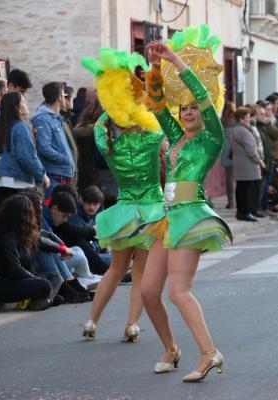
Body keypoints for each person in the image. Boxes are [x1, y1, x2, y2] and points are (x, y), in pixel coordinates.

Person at [142, 28, 232, 381]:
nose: (189, 111)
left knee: (178, 291)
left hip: (190, 217)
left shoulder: (212, 139)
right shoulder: (177, 138)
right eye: (185, 108)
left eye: (195, 107)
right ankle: (170, 347)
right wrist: (153, 67)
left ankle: (210, 353)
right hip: (167, 218)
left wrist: (175, 61)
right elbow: (156, 104)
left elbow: (201, 97)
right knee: (149, 292)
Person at [79, 48, 166, 342]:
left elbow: (102, 125)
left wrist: (114, 100)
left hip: (124, 211)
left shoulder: (108, 143)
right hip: (151, 212)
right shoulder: (153, 139)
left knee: (115, 270)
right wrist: (140, 93)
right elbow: (159, 114)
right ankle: (132, 324)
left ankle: (92, 321)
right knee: (140, 271)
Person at [0, 195, 52, 311]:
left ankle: (42, 300)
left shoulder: (14, 232)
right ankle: (42, 300)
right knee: (45, 285)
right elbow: (14, 268)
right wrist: (34, 278)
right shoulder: (6, 235)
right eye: (28, 213)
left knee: (49, 276)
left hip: (10, 280)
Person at [0, 92, 49, 223]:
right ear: (17, 108)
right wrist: (42, 174)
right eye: (23, 102)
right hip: (18, 183)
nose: (27, 104)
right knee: (17, 227)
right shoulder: (21, 127)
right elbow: (27, 158)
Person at [32, 82, 76, 198]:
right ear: (59, 98)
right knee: (52, 212)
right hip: (54, 176)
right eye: (63, 95)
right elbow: (44, 148)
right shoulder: (43, 119)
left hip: (63, 174)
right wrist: (64, 159)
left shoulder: (56, 118)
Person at [232, 106, 265, 221]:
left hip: (243, 164)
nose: (249, 119)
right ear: (241, 118)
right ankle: (244, 212)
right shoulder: (242, 130)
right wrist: (259, 161)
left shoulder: (239, 129)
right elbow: (250, 149)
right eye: (247, 116)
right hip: (247, 165)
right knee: (245, 190)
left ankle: (245, 212)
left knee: (243, 189)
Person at [220, 101, 236, 209]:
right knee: (240, 178)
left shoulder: (222, 121)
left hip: (226, 152)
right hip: (236, 151)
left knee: (229, 179)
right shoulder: (236, 121)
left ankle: (231, 201)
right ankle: (238, 200)